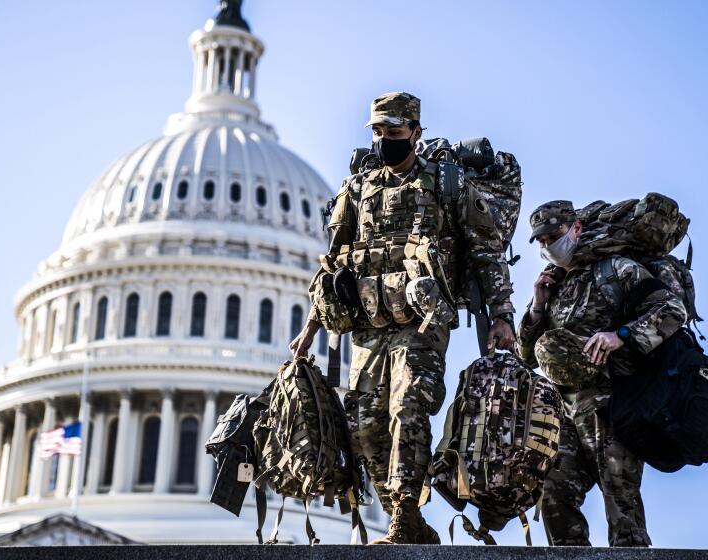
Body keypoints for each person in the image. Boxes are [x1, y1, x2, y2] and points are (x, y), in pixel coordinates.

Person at [289, 92, 516, 544]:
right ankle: (405, 518)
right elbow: (334, 263)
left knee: (408, 407)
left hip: (422, 322)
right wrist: (310, 326)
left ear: (415, 131)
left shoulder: (447, 184)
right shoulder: (357, 189)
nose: (384, 140)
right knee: (362, 424)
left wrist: (501, 316)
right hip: (367, 323)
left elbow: (486, 252)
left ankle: (405, 509)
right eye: (377, 132)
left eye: (393, 132)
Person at [516, 200, 687, 547]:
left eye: (554, 236)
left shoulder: (615, 269)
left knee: (621, 507)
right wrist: (537, 304)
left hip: (613, 402)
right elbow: (527, 355)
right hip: (566, 412)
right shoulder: (557, 286)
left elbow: (672, 310)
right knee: (554, 494)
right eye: (541, 241)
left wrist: (620, 336)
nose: (547, 246)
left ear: (576, 229)